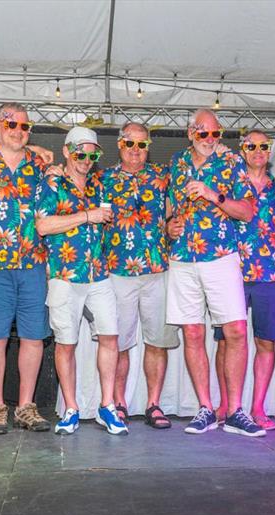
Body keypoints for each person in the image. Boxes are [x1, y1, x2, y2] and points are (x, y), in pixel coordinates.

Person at [166, 109, 263, 437]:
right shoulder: (177, 163)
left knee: (235, 329)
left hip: (220, 255)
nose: (211, 140)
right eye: (204, 133)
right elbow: (169, 209)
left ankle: (235, 410)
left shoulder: (232, 163)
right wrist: (169, 226)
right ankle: (206, 408)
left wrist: (213, 195)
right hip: (183, 258)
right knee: (192, 333)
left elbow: (248, 211)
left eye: (216, 134)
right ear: (191, 133)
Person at [35, 126, 128, 436]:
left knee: (110, 336)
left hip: (98, 273)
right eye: (80, 153)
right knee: (66, 343)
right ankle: (72, 408)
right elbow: (44, 225)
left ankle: (107, 405)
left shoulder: (99, 187)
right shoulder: (51, 184)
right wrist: (87, 215)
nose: (87, 159)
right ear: (66, 152)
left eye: (92, 154)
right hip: (64, 275)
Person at [0, 103, 52, 434]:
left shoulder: (39, 165)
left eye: (24, 126)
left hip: (33, 262)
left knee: (33, 337)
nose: (18, 130)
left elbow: (48, 213)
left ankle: (26, 407)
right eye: (11, 124)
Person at [101, 122, 180, 429]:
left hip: (157, 269)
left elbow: (177, 213)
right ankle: (119, 402)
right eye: (130, 144)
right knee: (118, 342)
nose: (136, 151)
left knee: (157, 341)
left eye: (142, 145)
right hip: (118, 269)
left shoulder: (163, 178)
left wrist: (174, 225)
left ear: (149, 146)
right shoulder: (103, 178)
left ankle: (153, 404)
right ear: (120, 144)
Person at [212, 130, 275, 431]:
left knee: (265, 341)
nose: (257, 151)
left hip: (269, 274)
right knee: (226, 341)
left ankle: (257, 407)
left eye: (263, 146)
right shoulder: (229, 187)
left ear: (270, 151)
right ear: (242, 150)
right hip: (231, 273)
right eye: (251, 146)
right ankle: (228, 404)